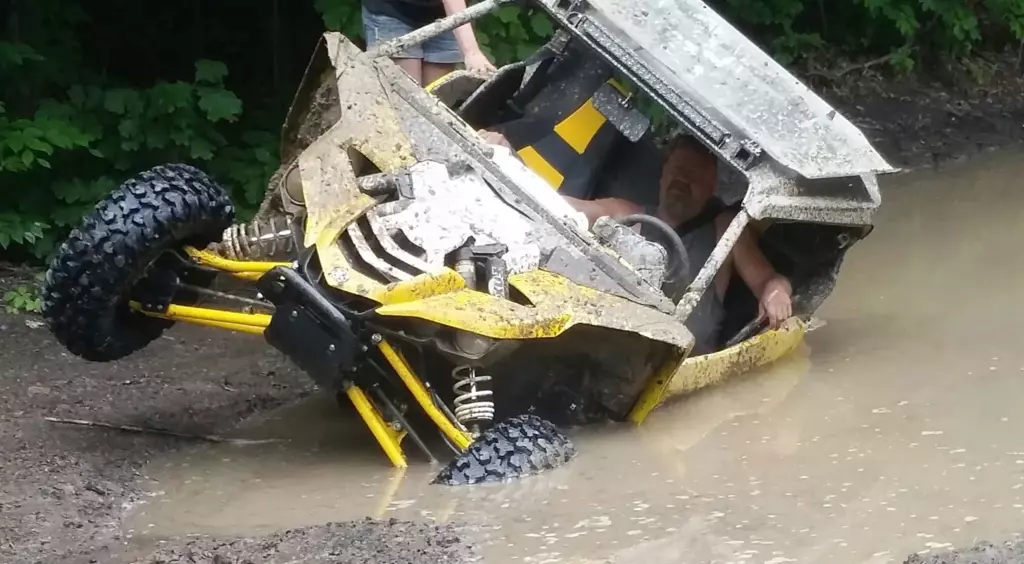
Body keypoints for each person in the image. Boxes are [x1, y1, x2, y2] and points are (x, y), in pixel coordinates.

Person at [479, 130, 793, 353]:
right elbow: (561, 205)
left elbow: (769, 280)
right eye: (679, 170)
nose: (683, 182)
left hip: (687, 365)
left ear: (711, 189)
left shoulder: (725, 230)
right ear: (663, 174)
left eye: (695, 177)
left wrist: (777, 294)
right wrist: (510, 163)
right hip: (617, 350)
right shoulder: (625, 213)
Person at [362, 0, 497, 86]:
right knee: (407, 95)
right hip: (392, 8)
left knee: (436, 99)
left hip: (445, 13)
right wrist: (472, 52)